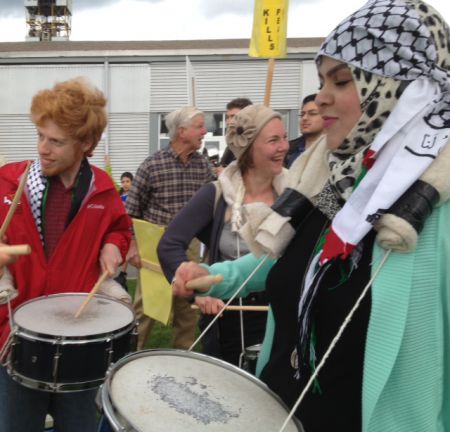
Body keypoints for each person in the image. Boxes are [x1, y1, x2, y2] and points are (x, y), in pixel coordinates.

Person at [171, 1, 450, 431]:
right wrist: (220, 276)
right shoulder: (339, 182)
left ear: (403, 88)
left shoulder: (438, 211)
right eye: (322, 80)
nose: (321, 98)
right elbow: (299, 260)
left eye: (342, 80)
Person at [0, 78, 132, 432]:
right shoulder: (7, 185)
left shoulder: (102, 190)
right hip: (16, 336)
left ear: (85, 144)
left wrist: (113, 245)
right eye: (41, 136)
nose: (43, 148)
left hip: (80, 339)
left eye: (56, 141)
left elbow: (120, 229)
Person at [158, 104, 288, 366]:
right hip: (227, 315)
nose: (285, 146)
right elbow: (169, 244)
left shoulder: (294, 194)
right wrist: (199, 288)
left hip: (281, 315)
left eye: (284, 137)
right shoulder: (216, 194)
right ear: (249, 149)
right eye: (274, 140)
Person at [126, 106, 215, 350]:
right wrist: (133, 244)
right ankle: (130, 358)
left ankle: (181, 363)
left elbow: (213, 211)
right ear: (182, 131)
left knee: (188, 310)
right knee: (146, 308)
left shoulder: (203, 166)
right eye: (199, 126)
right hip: (156, 244)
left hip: (191, 244)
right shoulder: (152, 165)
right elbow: (131, 210)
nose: (205, 131)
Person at [285, 94, 326, 167]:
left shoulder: (335, 150)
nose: (304, 118)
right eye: (302, 114)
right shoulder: (288, 149)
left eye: (312, 113)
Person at [216, 97, 253, 174]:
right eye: (228, 117)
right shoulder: (231, 144)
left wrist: (226, 174)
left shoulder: (255, 145)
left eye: (233, 116)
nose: (228, 121)